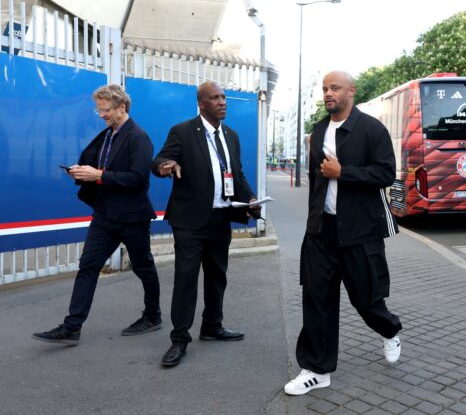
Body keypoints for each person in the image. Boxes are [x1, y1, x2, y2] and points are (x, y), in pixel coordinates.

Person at [284, 71, 402, 396]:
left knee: (366, 300)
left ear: (352, 91)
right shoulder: (319, 130)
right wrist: (311, 225)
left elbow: (385, 174)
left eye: (334, 88)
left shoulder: (371, 129)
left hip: (359, 232)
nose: (328, 94)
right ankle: (317, 369)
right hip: (322, 231)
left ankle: (390, 330)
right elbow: (317, 181)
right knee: (316, 299)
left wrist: (343, 172)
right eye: (324, 89)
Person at [33, 84, 161, 345]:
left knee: (143, 266)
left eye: (105, 110)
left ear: (122, 108)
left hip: (132, 217)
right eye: (98, 110)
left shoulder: (138, 137)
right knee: (88, 266)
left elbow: (138, 179)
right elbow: (101, 167)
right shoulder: (108, 135)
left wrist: (99, 175)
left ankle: (152, 315)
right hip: (104, 215)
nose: (101, 115)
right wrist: (84, 171)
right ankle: (72, 327)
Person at [152, 81, 258, 368]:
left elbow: (236, 174)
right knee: (186, 279)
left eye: (224, 97)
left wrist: (250, 199)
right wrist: (165, 166)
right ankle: (179, 339)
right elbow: (160, 160)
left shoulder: (231, 136)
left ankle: (212, 326)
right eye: (215, 98)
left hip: (220, 218)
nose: (223, 102)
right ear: (202, 104)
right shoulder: (183, 131)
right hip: (190, 221)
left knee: (217, 276)